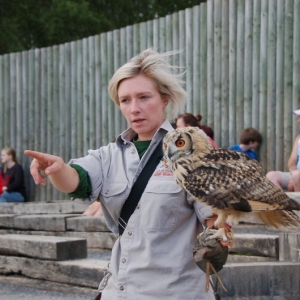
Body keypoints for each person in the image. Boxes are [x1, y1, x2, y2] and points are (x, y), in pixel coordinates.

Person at [25, 49, 223, 300]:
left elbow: (215, 219)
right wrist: (57, 168)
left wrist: (218, 238)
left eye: (143, 97)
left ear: (165, 99)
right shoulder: (108, 155)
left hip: (176, 291)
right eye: (125, 100)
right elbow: (77, 179)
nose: (134, 108)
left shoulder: (191, 153)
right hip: (119, 291)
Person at [266, 109, 300, 191]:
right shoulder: (299, 138)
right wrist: (293, 175)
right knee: (271, 176)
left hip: (298, 175)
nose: (298, 121)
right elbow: (292, 162)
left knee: (297, 176)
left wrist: (296, 177)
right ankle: (285, 203)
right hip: (297, 174)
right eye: (298, 118)